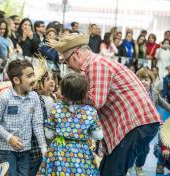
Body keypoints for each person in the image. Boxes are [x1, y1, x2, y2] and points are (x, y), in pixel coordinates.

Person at [49, 33, 161, 176]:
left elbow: (96, 101)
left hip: (135, 124)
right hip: (133, 125)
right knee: (106, 170)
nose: (68, 66)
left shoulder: (95, 64)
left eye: (67, 61)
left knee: (113, 171)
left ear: (76, 55)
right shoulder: (96, 63)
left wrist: (69, 96)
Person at [0, 59, 47, 176]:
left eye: (33, 75)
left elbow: (37, 123)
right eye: (29, 76)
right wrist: (9, 137)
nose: (34, 79)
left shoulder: (34, 97)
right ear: (16, 80)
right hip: (6, 150)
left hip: (25, 149)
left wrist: (43, 147)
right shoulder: (5, 98)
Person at [38, 72, 103, 175]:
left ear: (63, 91)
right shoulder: (90, 112)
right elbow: (98, 135)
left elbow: (49, 134)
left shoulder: (56, 108)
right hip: (82, 153)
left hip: (59, 151)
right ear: (84, 92)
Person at [132, 68, 170, 176]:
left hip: (148, 128)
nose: (143, 81)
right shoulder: (134, 92)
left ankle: (139, 166)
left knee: (144, 149)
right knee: (131, 147)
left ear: (151, 81)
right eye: (140, 79)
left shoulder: (154, 93)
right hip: (135, 126)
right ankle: (128, 165)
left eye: (146, 79)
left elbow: (163, 104)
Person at [30, 57, 55, 176]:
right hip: (46, 139)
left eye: (52, 78)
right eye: (48, 80)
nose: (52, 81)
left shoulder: (51, 98)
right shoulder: (47, 100)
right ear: (39, 84)